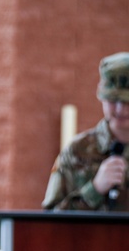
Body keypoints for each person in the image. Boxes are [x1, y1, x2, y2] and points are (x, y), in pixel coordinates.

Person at [43, 52, 129, 211]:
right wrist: (95, 189)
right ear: (101, 97)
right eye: (112, 99)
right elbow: (50, 222)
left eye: (127, 101)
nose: (120, 109)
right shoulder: (77, 151)